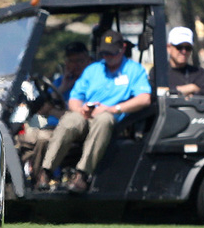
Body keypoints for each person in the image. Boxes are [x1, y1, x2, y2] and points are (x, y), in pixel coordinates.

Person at [39, 31, 153, 193]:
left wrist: (113, 108)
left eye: (112, 53)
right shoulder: (93, 70)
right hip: (86, 117)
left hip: (113, 121)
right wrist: (81, 109)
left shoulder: (134, 70)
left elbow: (144, 99)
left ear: (123, 49)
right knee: (69, 119)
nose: (108, 57)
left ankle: (82, 175)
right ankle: (46, 171)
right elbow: (74, 99)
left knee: (104, 119)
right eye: (105, 53)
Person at [15, 41, 89, 182]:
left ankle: (39, 182)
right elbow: (42, 109)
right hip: (50, 127)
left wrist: (55, 111)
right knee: (20, 139)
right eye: (71, 61)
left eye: (80, 60)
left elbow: (79, 116)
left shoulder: (89, 83)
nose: (76, 65)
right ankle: (17, 180)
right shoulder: (61, 81)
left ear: (88, 61)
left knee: (42, 139)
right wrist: (63, 87)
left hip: (71, 131)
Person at [165, 26, 204, 97]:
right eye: (179, 47)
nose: (184, 51)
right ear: (168, 48)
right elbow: (155, 93)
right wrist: (191, 88)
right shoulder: (159, 73)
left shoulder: (199, 73)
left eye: (188, 48)